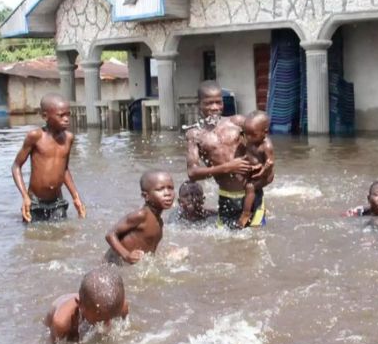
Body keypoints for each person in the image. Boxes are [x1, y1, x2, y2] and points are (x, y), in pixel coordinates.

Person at [185, 80, 274, 229]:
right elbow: (192, 173)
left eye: (218, 102)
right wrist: (228, 167)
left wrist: (269, 167)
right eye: (208, 103)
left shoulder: (237, 122)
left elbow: (262, 135)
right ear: (199, 104)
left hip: (252, 194)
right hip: (227, 197)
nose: (214, 108)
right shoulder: (195, 135)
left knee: (256, 241)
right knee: (225, 243)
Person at [11, 93, 85, 222]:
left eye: (68, 114)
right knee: (33, 238)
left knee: (62, 236)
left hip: (57, 202)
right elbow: (16, 166)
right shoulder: (35, 137)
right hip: (35, 202)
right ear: (45, 116)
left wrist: (75, 196)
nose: (66, 119)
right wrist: (25, 197)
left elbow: (65, 169)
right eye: (61, 115)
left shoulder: (68, 138)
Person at [104, 171, 175, 265]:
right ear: (146, 196)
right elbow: (110, 235)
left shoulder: (159, 222)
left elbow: (149, 254)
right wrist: (126, 256)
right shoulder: (141, 215)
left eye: (171, 188)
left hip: (131, 266)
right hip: (113, 264)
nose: (167, 193)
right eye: (160, 189)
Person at [43, 267, 129, 344]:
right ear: (80, 305)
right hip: (58, 315)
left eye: (112, 317)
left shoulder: (118, 306)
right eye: (100, 320)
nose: (108, 324)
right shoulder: (61, 323)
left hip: (88, 302)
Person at [237, 111, 274, 228]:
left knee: (250, 187)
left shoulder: (266, 145)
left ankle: (246, 213)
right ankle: (257, 206)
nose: (248, 137)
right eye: (246, 133)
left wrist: (262, 170)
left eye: (252, 134)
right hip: (255, 169)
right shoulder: (250, 139)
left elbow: (270, 162)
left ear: (265, 133)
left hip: (266, 174)